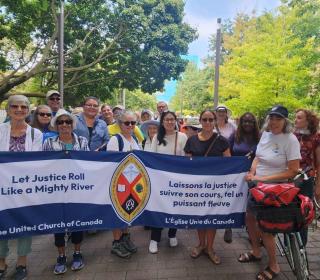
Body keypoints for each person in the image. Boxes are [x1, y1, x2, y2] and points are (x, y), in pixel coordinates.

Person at [238, 105, 301, 280]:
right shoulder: (266, 134)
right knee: (249, 218)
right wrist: (252, 171)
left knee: (266, 228)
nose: (274, 122)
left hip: (276, 190)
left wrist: (264, 179)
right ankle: (256, 252)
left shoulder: (290, 140)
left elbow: (293, 171)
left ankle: (274, 266)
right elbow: (258, 156)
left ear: (285, 121)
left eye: (278, 118)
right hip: (257, 186)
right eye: (272, 118)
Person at [0, 95, 42, 280]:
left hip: (25, 188)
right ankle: (1, 261)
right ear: (8, 110)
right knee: (2, 223)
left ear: (28, 110)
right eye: (15, 106)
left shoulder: (36, 134)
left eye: (23, 107)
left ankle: (22, 262)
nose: (19, 110)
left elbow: (36, 162)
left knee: (24, 222)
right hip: (2, 187)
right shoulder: (0, 131)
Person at [43, 109, 89, 275]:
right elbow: (44, 166)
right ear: (56, 125)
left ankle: (77, 253)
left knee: (77, 223)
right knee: (58, 224)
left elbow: (88, 164)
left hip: (77, 189)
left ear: (72, 125)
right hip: (56, 191)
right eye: (60, 122)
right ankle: (61, 256)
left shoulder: (82, 141)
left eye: (67, 122)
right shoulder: (48, 143)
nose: (64, 125)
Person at [184, 109, 231, 265]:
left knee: (212, 218)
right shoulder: (191, 141)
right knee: (200, 216)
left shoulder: (222, 141)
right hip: (197, 187)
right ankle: (201, 244)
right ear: (200, 120)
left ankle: (210, 248)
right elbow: (187, 165)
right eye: (205, 119)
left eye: (211, 119)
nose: (208, 122)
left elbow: (228, 164)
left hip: (215, 187)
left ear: (215, 121)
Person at [148, 111, 188, 254]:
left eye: (172, 119)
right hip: (160, 180)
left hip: (177, 180)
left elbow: (186, 158)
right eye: (166, 120)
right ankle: (154, 239)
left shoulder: (182, 137)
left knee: (175, 207)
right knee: (159, 209)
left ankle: (172, 234)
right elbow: (151, 158)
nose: (169, 122)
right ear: (162, 121)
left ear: (175, 121)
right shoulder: (156, 138)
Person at [107, 111, 139, 258]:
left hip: (133, 184)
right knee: (117, 214)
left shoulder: (135, 140)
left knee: (128, 211)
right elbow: (111, 163)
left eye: (133, 123)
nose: (130, 126)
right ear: (120, 124)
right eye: (127, 123)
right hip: (119, 184)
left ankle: (126, 238)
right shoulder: (115, 140)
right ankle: (117, 242)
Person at [294, 109, 320, 245]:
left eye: (299, 118)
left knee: (304, 211)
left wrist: (318, 186)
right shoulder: (291, 135)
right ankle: (290, 244)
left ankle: (301, 245)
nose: (295, 120)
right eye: (295, 117)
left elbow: (319, 163)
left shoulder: (316, 137)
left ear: (308, 121)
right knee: (290, 211)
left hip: (306, 179)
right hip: (290, 178)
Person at [214, 105, 236, 243]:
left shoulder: (232, 127)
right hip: (213, 163)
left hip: (227, 162)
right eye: (219, 111)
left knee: (227, 192)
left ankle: (228, 225)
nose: (221, 114)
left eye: (223, 112)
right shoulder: (210, 123)